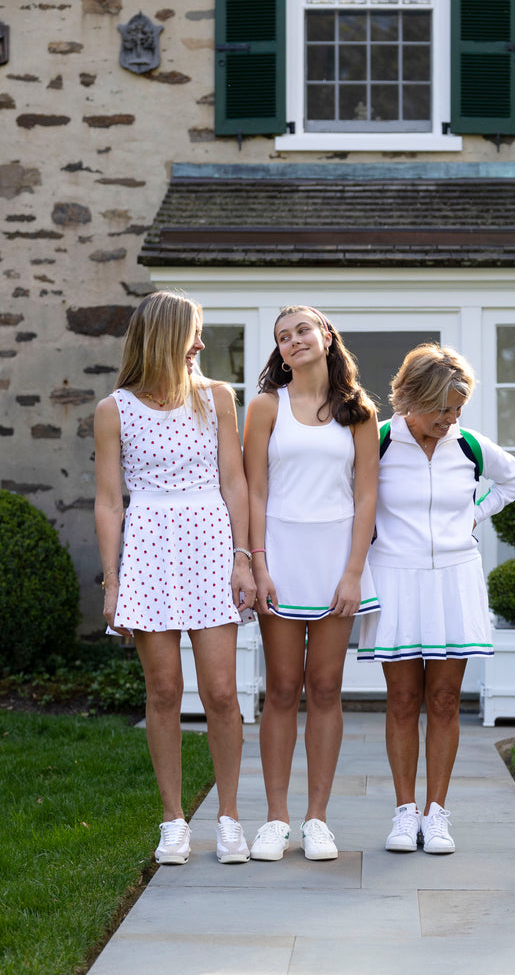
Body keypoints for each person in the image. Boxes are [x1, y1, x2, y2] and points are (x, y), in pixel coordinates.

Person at [94, 290, 256, 866]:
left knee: (221, 693)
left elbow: (234, 482)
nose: (202, 344)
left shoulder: (217, 398)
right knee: (163, 692)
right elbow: (109, 502)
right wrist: (112, 583)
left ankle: (230, 818)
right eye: (193, 334)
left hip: (210, 545)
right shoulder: (114, 409)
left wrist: (243, 558)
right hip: (148, 550)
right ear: (164, 337)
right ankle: (173, 822)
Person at [357, 344, 515, 854]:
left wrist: (473, 515)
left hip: (455, 579)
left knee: (445, 699)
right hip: (395, 579)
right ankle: (403, 813)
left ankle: (436, 815)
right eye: (443, 409)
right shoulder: (378, 441)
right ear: (412, 398)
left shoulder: (468, 445)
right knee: (401, 700)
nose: (452, 419)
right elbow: (350, 497)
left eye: (458, 409)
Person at [242, 305, 379, 862]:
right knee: (280, 689)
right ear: (279, 350)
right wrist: (258, 564)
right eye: (283, 336)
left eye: (302, 329)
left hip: (335, 562)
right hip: (279, 558)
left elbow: (366, 497)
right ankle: (275, 820)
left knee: (325, 688)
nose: (294, 340)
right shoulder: (264, 407)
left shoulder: (359, 411)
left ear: (325, 336)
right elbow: (254, 491)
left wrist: (353, 571)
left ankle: (317, 820)